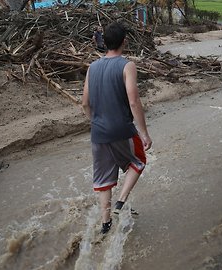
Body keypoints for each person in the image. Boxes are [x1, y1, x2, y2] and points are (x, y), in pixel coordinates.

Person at [82, 22, 152, 234]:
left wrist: (95, 121)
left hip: (98, 132)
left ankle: (105, 223)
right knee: (139, 160)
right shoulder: (127, 65)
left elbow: (85, 103)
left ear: (104, 42)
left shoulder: (92, 67)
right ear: (124, 42)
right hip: (121, 128)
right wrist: (144, 133)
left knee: (103, 178)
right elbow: (134, 100)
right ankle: (121, 203)